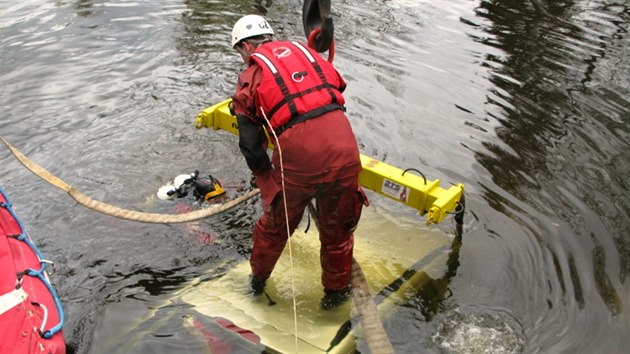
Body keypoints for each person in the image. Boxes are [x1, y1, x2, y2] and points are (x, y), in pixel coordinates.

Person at [229, 14, 367, 310]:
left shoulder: (250, 78)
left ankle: (257, 284)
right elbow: (335, 90)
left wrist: (267, 183)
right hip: (346, 153)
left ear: (243, 48)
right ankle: (335, 297)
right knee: (338, 233)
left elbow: (251, 147)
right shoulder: (309, 56)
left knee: (274, 228)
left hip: (301, 163)